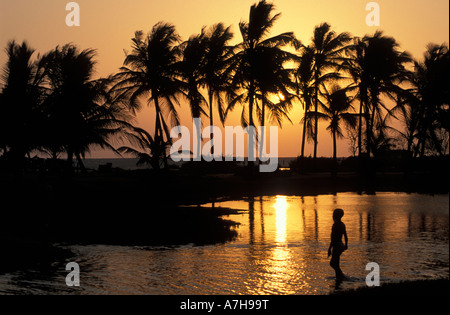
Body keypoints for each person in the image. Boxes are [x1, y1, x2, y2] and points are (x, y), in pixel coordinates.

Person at [328, 208, 348, 280]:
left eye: (333, 214)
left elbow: (333, 238)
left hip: (336, 245)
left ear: (336, 216)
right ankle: (339, 277)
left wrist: (330, 248)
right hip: (340, 245)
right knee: (336, 263)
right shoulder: (342, 224)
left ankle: (342, 276)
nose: (332, 216)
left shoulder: (335, 225)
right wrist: (346, 245)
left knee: (333, 263)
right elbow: (345, 235)